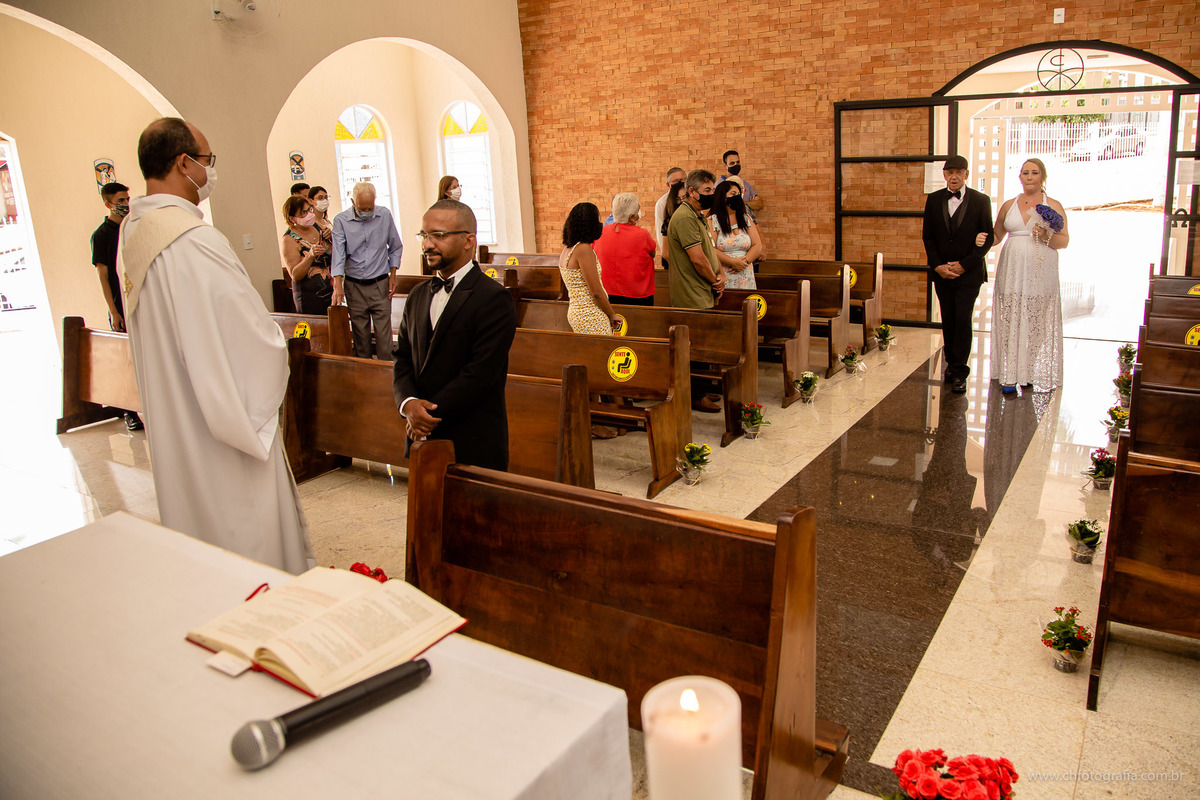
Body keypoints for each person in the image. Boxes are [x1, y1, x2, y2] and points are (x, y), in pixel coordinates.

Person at [117, 117, 312, 574]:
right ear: (183, 163)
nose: (210, 172)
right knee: (247, 537)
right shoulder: (194, 240)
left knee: (197, 530)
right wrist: (277, 345)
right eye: (207, 161)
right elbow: (249, 339)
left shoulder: (134, 231)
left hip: (174, 414)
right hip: (222, 432)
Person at [393, 199, 517, 470]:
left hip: (471, 438)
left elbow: (480, 372)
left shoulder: (493, 298)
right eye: (424, 235)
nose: (427, 244)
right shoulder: (417, 295)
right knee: (426, 512)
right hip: (419, 436)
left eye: (438, 235)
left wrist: (426, 416)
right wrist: (409, 404)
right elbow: (402, 359)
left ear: (468, 240)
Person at [990, 158, 1068, 393]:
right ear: (1020, 177)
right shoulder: (1008, 205)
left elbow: (1064, 241)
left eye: (1035, 173)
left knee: (1036, 319)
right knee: (1011, 316)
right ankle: (1009, 373)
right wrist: (976, 240)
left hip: (1039, 268)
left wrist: (1046, 235)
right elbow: (996, 235)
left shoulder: (1053, 205)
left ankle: (1029, 370)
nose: (1030, 177)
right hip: (1012, 267)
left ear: (1043, 177)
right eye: (1025, 173)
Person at [921, 154, 994, 395]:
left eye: (958, 172)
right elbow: (928, 237)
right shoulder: (933, 200)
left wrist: (964, 265)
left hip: (968, 274)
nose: (953, 176)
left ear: (966, 175)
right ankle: (951, 365)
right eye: (949, 172)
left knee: (963, 320)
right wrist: (938, 266)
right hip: (942, 273)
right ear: (944, 175)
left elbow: (987, 239)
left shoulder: (981, 201)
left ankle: (960, 371)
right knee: (949, 319)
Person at [666, 169, 724, 413]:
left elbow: (709, 251)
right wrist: (714, 280)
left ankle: (702, 388)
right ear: (692, 191)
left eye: (712, 190)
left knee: (704, 343)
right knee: (696, 347)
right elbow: (698, 259)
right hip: (692, 293)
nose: (711, 195)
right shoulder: (685, 218)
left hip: (702, 290)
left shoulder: (698, 215)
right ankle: (696, 395)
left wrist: (718, 275)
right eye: (707, 191)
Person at [89, 181, 143, 431]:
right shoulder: (101, 235)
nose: (125, 204)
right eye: (120, 201)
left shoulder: (133, 228)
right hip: (120, 305)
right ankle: (129, 412)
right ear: (108, 203)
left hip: (141, 300)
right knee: (126, 360)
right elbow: (102, 275)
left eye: (127, 199)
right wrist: (113, 311)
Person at [331, 182, 403, 359]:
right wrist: (337, 285)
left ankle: (387, 378)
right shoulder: (341, 221)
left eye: (369, 208)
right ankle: (365, 379)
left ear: (375, 201)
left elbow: (395, 247)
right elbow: (338, 254)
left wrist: (393, 274)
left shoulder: (384, 215)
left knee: (384, 339)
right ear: (352, 202)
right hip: (354, 286)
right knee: (360, 337)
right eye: (362, 208)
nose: (366, 212)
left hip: (380, 283)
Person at [559, 202, 621, 333]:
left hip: (576, 312)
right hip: (590, 314)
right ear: (589, 224)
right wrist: (612, 314)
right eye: (597, 219)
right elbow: (596, 292)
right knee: (602, 352)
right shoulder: (583, 250)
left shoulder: (567, 249)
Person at [594, 192, 656, 306]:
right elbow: (653, 252)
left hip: (607, 294)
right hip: (637, 295)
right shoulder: (642, 234)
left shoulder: (600, 232)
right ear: (631, 217)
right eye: (637, 211)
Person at [280, 195, 332, 314]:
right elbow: (295, 274)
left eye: (309, 210)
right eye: (303, 212)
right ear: (292, 218)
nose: (309, 214)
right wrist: (310, 256)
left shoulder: (317, 226)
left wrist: (331, 237)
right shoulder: (289, 239)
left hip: (330, 290)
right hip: (309, 296)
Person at [709, 181, 763, 291]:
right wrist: (732, 262)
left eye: (739, 194)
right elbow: (711, 248)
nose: (737, 197)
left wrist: (744, 262)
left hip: (745, 272)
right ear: (722, 197)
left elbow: (757, 245)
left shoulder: (745, 218)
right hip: (724, 271)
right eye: (733, 194)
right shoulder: (712, 220)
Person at [654, 167, 686, 266]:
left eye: (682, 180)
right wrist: (667, 255)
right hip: (672, 254)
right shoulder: (662, 203)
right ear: (668, 185)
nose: (680, 183)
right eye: (675, 181)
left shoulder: (691, 198)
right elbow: (661, 230)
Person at [659, 180, 688, 270]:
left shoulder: (697, 218)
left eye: (684, 197)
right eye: (678, 199)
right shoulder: (669, 222)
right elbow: (666, 254)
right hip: (677, 268)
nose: (682, 202)